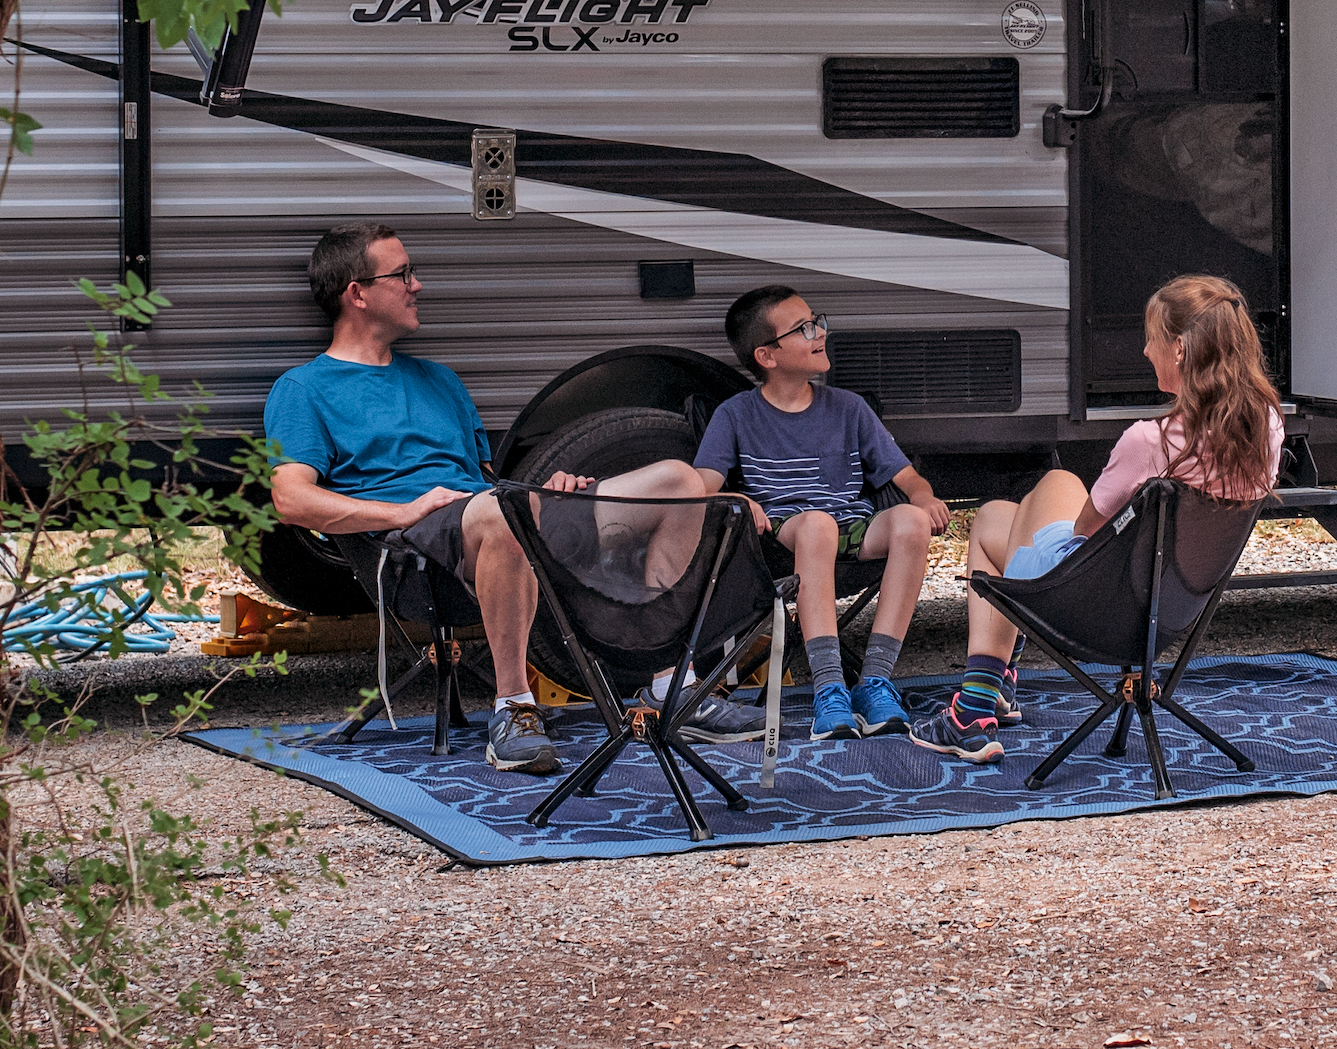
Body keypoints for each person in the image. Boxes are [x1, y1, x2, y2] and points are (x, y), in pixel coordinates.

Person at [262, 224, 587, 775]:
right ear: (356, 293)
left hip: (489, 524)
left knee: (668, 483)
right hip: (417, 555)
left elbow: (484, 478)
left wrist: (544, 494)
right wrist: (404, 511)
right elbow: (292, 501)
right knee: (504, 513)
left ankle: (667, 687)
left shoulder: (439, 379)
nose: (419, 285)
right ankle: (513, 708)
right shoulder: (303, 389)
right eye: (403, 274)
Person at [920, 273, 1281, 762]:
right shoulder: (1266, 430)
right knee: (1000, 516)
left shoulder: (1149, 442)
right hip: (1173, 612)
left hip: (1088, 610)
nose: (1145, 351)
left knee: (1030, 499)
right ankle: (993, 689)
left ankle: (976, 704)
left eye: (1151, 338)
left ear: (1178, 349)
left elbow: (1084, 532)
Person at [651, 284, 955, 740]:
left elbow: (906, 477)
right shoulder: (736, 415)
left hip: (851, 529)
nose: (821, 333)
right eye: (804, 328)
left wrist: (925, 496)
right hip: (783, 535)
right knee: (816, 524)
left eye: (818, 321)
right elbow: (704, 488)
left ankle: (875, 681)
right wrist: (739, 499)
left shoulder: (848, 408)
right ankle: (829, 687)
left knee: (909, 521)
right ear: (767, 356)